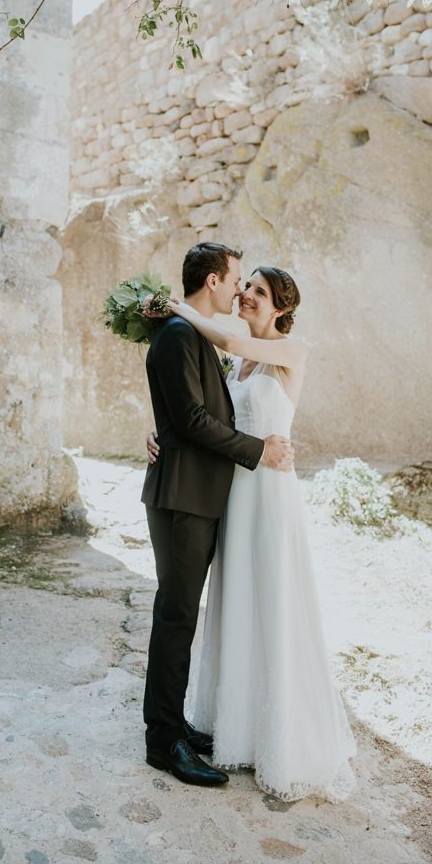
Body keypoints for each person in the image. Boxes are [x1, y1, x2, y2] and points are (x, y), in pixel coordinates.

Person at [146, 265, 356, 801]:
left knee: (274, 601)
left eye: (258, 292)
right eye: (246, 287)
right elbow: (204, 415)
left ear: (281, 308)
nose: (246, 295)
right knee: (233, 601)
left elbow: (226, 336)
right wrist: (161, 433)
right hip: (231, 495)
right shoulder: (234, 361)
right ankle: (233, 725)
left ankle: (284, 736)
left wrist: (179, 307)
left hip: (270, 494)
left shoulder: (292, 351)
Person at [141, 243, 295, 788]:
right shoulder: (183, 333)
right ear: (212, 280)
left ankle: (173, 724)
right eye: (237, 280)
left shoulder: (206, 340)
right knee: (177, 617)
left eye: (253, 288)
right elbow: (191, 419)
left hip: (209, 496)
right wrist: (256, 452)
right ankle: (163, 743)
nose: (240, 291)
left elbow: (189, 411)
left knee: (183, 616)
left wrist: (162, 426)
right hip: (184, 497)